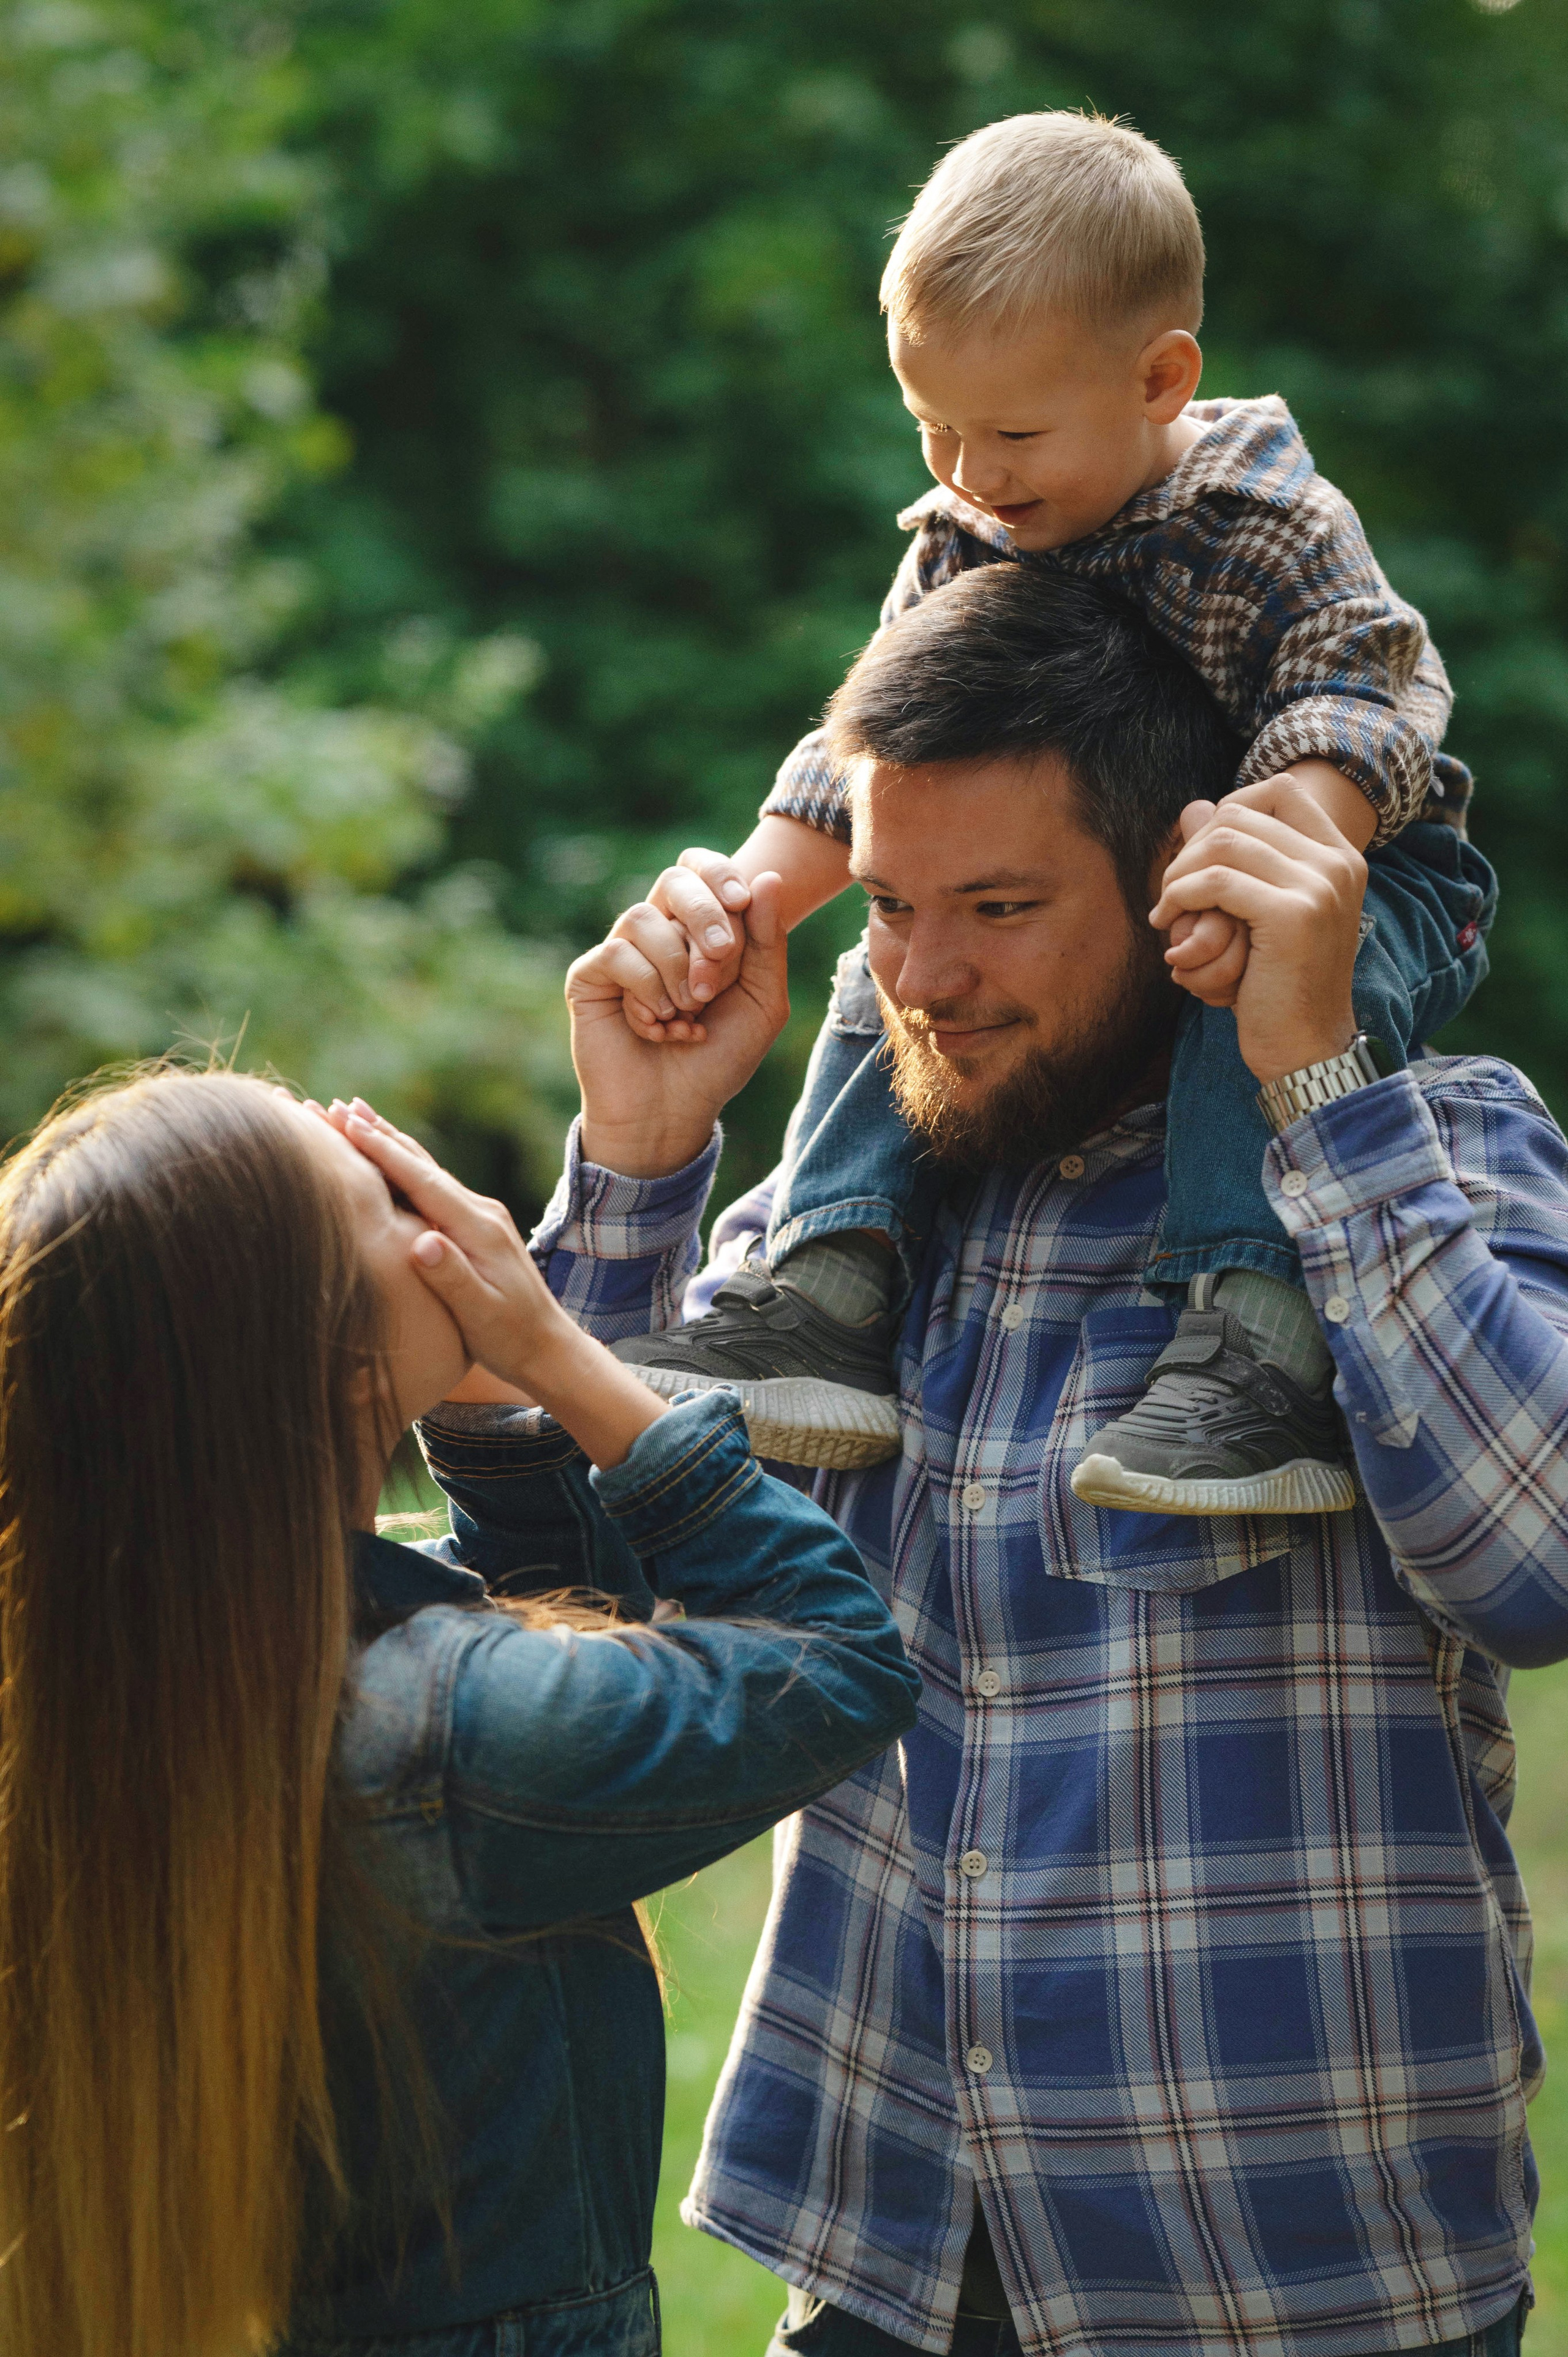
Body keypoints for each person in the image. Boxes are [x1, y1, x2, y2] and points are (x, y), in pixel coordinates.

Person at [552, 561, 1564, 2357]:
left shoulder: (1437, 1152)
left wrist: (1320, 1088)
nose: (923, 981)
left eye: (1000, 907)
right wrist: (638, 1163)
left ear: (1186, 881)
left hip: (1299, 2282)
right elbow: (572, 1597)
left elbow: (1535, 1568)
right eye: (883, 910)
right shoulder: (842, 1246)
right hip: (882, 2265)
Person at [608, 108, 1494, 1518]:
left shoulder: (1261, 512)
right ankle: (830, 1282)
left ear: (1158, 378)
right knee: (896, 956)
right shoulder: (969, 532)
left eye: (1009, 431)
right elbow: (870, 759)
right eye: (931, 429)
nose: (967, 473)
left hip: (1356, 867)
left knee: (1240, 994)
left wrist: (1270, 848)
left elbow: (1363, 690)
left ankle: (1252, 1345)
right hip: (1136, 873)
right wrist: (755, 896)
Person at [0, 1066, 919, 2357]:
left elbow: (550, 1643)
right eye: (383, 1196)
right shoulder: (431, 1735)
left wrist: (484, 1412)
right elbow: (835, 1662)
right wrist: (552, 1350)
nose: (450, 1210)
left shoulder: (130, 1676)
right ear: (334, 1355)